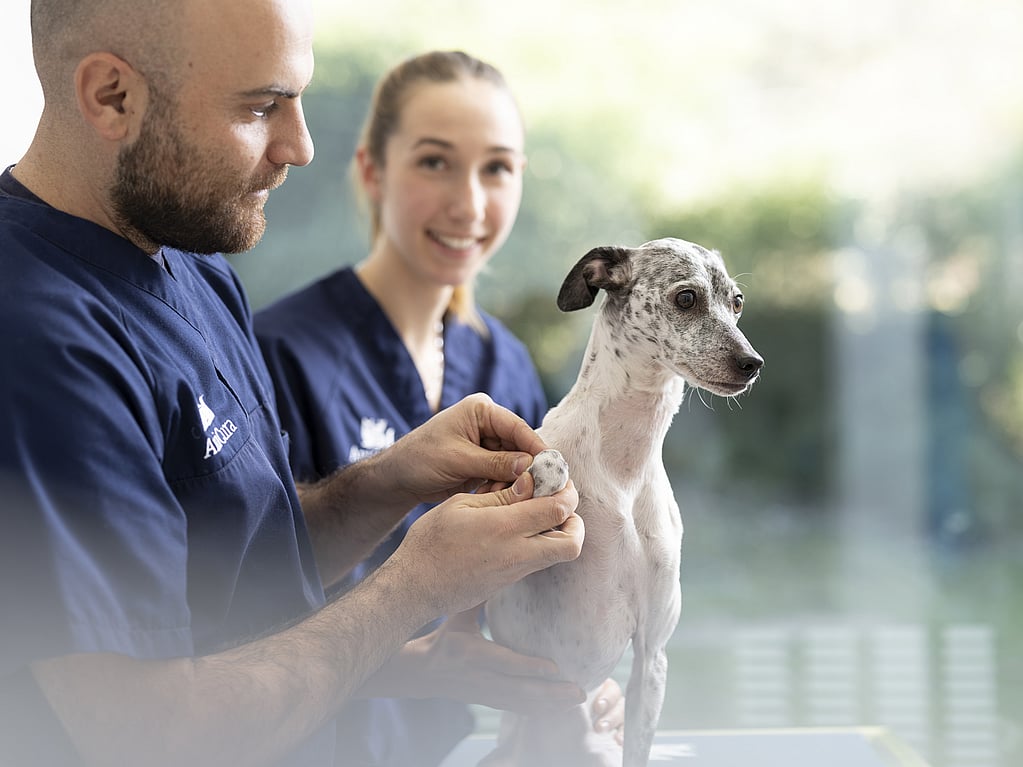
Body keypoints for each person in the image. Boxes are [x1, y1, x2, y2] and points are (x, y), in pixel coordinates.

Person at [0, 2, 586, 766]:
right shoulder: (35, 342)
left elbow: (236, 562)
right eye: (259, 105)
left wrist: (384, 483)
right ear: (112, 95)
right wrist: (412, 586)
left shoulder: (189, 261)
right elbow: (144, 732)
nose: (301, 147)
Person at [254, 51, 625, 765]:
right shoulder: (281, 355)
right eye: (434, 163)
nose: (470, 204)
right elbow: (233, 611)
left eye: (497, 168)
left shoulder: (504, 367)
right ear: (371, 171)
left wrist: (574, 673)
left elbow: (531, 582)